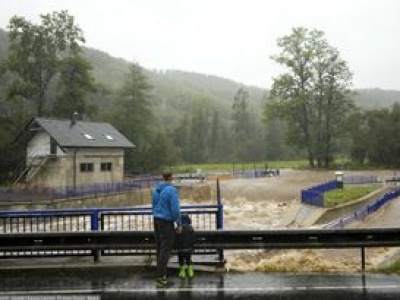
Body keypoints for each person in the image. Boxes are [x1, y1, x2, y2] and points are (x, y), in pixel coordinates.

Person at [152, 171, 182, 288]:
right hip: (166, 222)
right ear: (171, 178)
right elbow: (175, 210)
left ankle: (160, 277)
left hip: (157, 220)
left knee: (159, 249)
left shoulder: (156, 190)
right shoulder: (171, 190)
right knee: (165, 250)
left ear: (162, 177)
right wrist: (178, 224)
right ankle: (161, 279)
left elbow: (153, 206)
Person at [176, 214, 196, 279]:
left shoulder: (177, 229)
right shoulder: (191, 229)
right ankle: (190, 271)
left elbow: (174, 240)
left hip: (180, 249)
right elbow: (193, 239)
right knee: (188, 259)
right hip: (189, 249)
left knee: (181, 259)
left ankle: (182, 272)